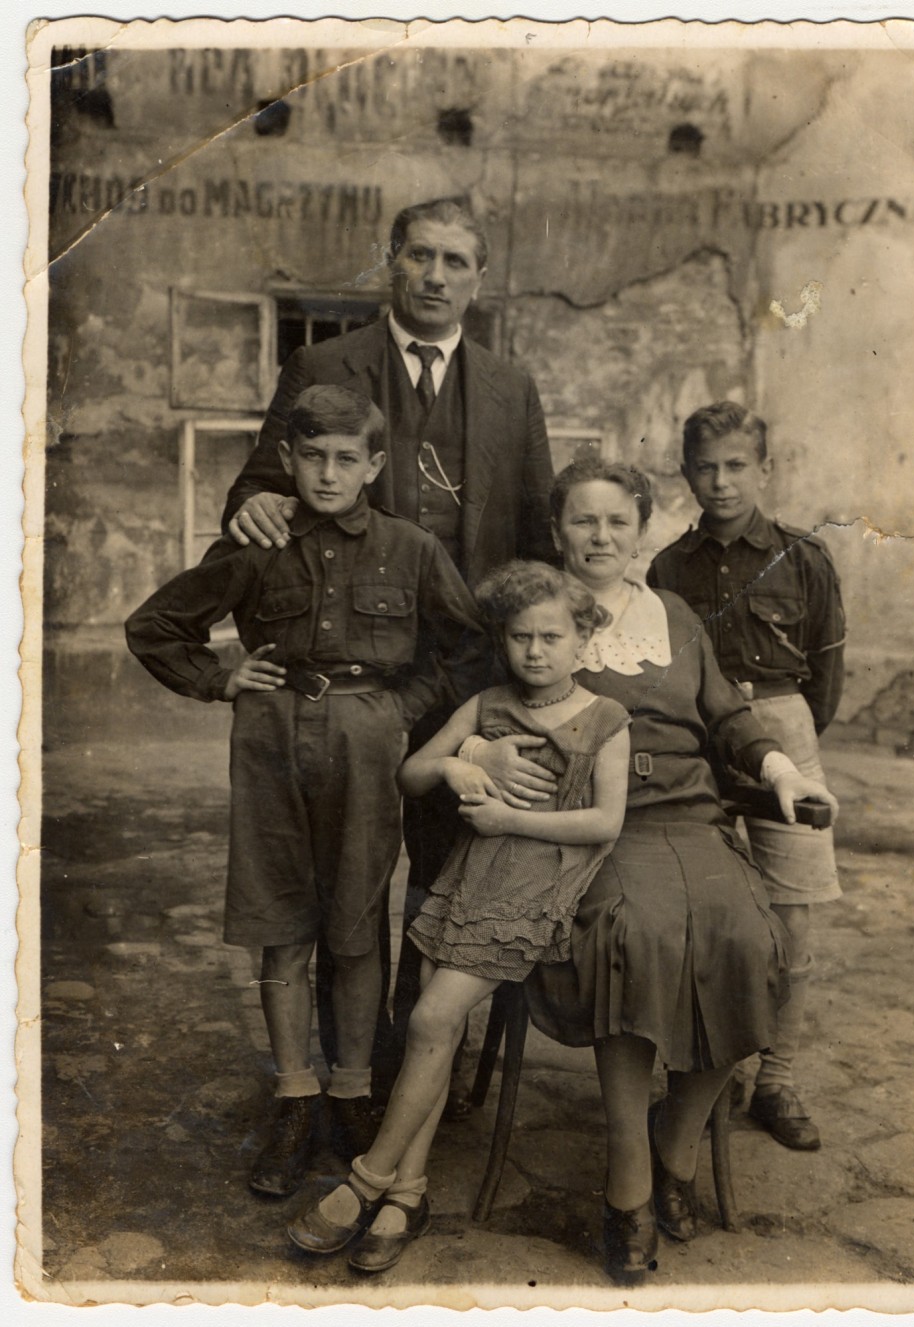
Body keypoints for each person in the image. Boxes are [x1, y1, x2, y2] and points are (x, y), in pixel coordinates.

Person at [464, 459, 838, 1282]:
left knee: (750, 936)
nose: (600, 538)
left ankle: (677, 1142)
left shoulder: (673, 613)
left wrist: (780, 771)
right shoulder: (537, 613)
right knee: (636, 936)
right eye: (582, 523)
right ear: (557, 531)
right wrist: (478, 751)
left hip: (692, 822)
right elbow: (483, 710)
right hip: (592, 832)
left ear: (640, 530)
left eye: (617, 523)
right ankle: (629, 1176)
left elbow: (730, 717)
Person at [220, 197, 554, 1097]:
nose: (437, 276)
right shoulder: (324, 363)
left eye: (456, 261)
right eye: (420, 257)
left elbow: (535, 537)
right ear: (391, 263)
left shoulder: (509, 386)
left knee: (444, 874)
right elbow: (261, 483)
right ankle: (342, 1075)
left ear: (479, 280)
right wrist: (248, 502)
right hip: (340, 680)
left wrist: (525, 686)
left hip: (458, 677)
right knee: (337, 888)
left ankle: (414, 1070)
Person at [125, 386, 484, 1200]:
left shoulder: (412, 547)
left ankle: (352, 1091)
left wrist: (402, 709)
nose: (328, 474)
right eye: (312, 456)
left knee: (357, 923)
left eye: (346, 459)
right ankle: (294, 1093)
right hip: (271, 737)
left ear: (375, 465)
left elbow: (465, 648)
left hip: (367, 735)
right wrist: (219, 679)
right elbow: (154, 627)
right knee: (280, 919)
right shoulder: (257, 543)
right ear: (287, 459)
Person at [285, 562, 631, 1273]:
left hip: (539, 886)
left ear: (582, 639)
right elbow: (409, 772)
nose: (534, 651)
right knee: (433, 1030)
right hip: (470, 878)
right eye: (518, 637)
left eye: (550, 636)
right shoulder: (485, 706)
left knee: (430, 1020)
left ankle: (369, 1177)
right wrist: (453, 767)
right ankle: (409, 1191)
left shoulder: (605, 719)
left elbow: (606, 822)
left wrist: (506, 815)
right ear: (502, 641)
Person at [647, 402, 845, 1152]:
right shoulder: (669, 566)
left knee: (792, 915)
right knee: (702, 910)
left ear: (765, 470)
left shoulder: (804, 557)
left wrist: (790, 746)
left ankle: (778, 1078)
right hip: (698, 740)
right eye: (705, 466)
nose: (721, 481)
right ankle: (706, 1068)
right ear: (686, 472)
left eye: (736, 466)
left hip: (783, 733)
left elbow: (825, 674)